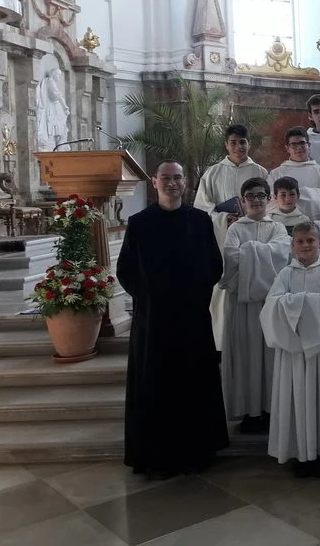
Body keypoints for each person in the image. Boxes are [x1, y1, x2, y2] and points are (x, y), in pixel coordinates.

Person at [118, 160, 227, 479]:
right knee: (155, 384)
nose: (172, 183)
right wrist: (150, 297)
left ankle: (197, 451)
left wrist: (194, 294)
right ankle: (156, 457)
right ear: (154, 182)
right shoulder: (139, 223)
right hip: (153, 321)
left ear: (186, 182)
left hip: (192, 318)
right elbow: (125, 270)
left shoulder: (200, 221)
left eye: (177, 178)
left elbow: (214, 264)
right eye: (165, 178)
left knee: (194, 383)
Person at [260, 222, 320, 475]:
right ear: (292, 245)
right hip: (293, 350)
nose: (306, 245)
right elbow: (271, 305)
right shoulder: (286, 274)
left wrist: (293, 304)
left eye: (311, 240)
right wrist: (302, 304)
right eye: (300, 241)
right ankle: (299, 453)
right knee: (295, 401)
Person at [220, 177, 292, 434]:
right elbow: (229, 259)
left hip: (269, 304)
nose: (256, 200)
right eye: (250, 196)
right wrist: (261, 252)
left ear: (269, 198)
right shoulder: (235, 229)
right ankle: (249, 412)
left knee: (270, 357)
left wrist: (248, 252)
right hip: (243, 305)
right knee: (245, 356)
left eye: (261, 195)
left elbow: (281, 256)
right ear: (242, 200)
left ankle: (271, 410)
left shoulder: (278, 228)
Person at [195, 124, 269, 348]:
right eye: (234, 143)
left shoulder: (260, 172)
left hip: (254, 240)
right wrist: (224, 219)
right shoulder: (213, 172)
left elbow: (270, 204)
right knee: (222, 292)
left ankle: (255, 343)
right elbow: (201, 208)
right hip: (223, 241)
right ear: (226, 145)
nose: (238, 147)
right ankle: (221, 342)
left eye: (242, 142)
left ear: (249, 144)